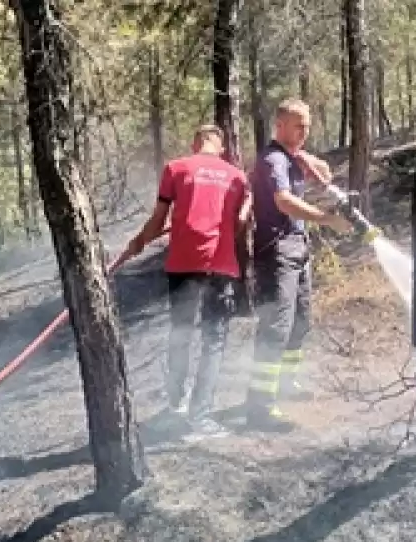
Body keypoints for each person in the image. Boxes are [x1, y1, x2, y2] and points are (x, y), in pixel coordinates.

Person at [126, 124, 251, 437]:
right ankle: (201, 417)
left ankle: (175, 405)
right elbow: (239, 224)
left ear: (196, 143)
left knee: (180, 333)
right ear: (220, 147)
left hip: (183, 263)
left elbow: (159, 221)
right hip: (220, 265)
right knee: (214, 340)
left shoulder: (176, 168)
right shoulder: (236, 177)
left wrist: (138, 243)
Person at [245, 98, 350, 432]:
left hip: (298, 249)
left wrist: (305, 155)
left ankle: (286, 383)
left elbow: (325, 173)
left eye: (307, 125)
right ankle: (259, 406)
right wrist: (326, 219)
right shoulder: (272, 159)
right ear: (280, 126)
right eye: (297, 125)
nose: (304, 131)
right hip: (277, 251)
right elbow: (283, 200)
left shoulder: (292, 156)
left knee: (300, 322)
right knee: (276, 327)